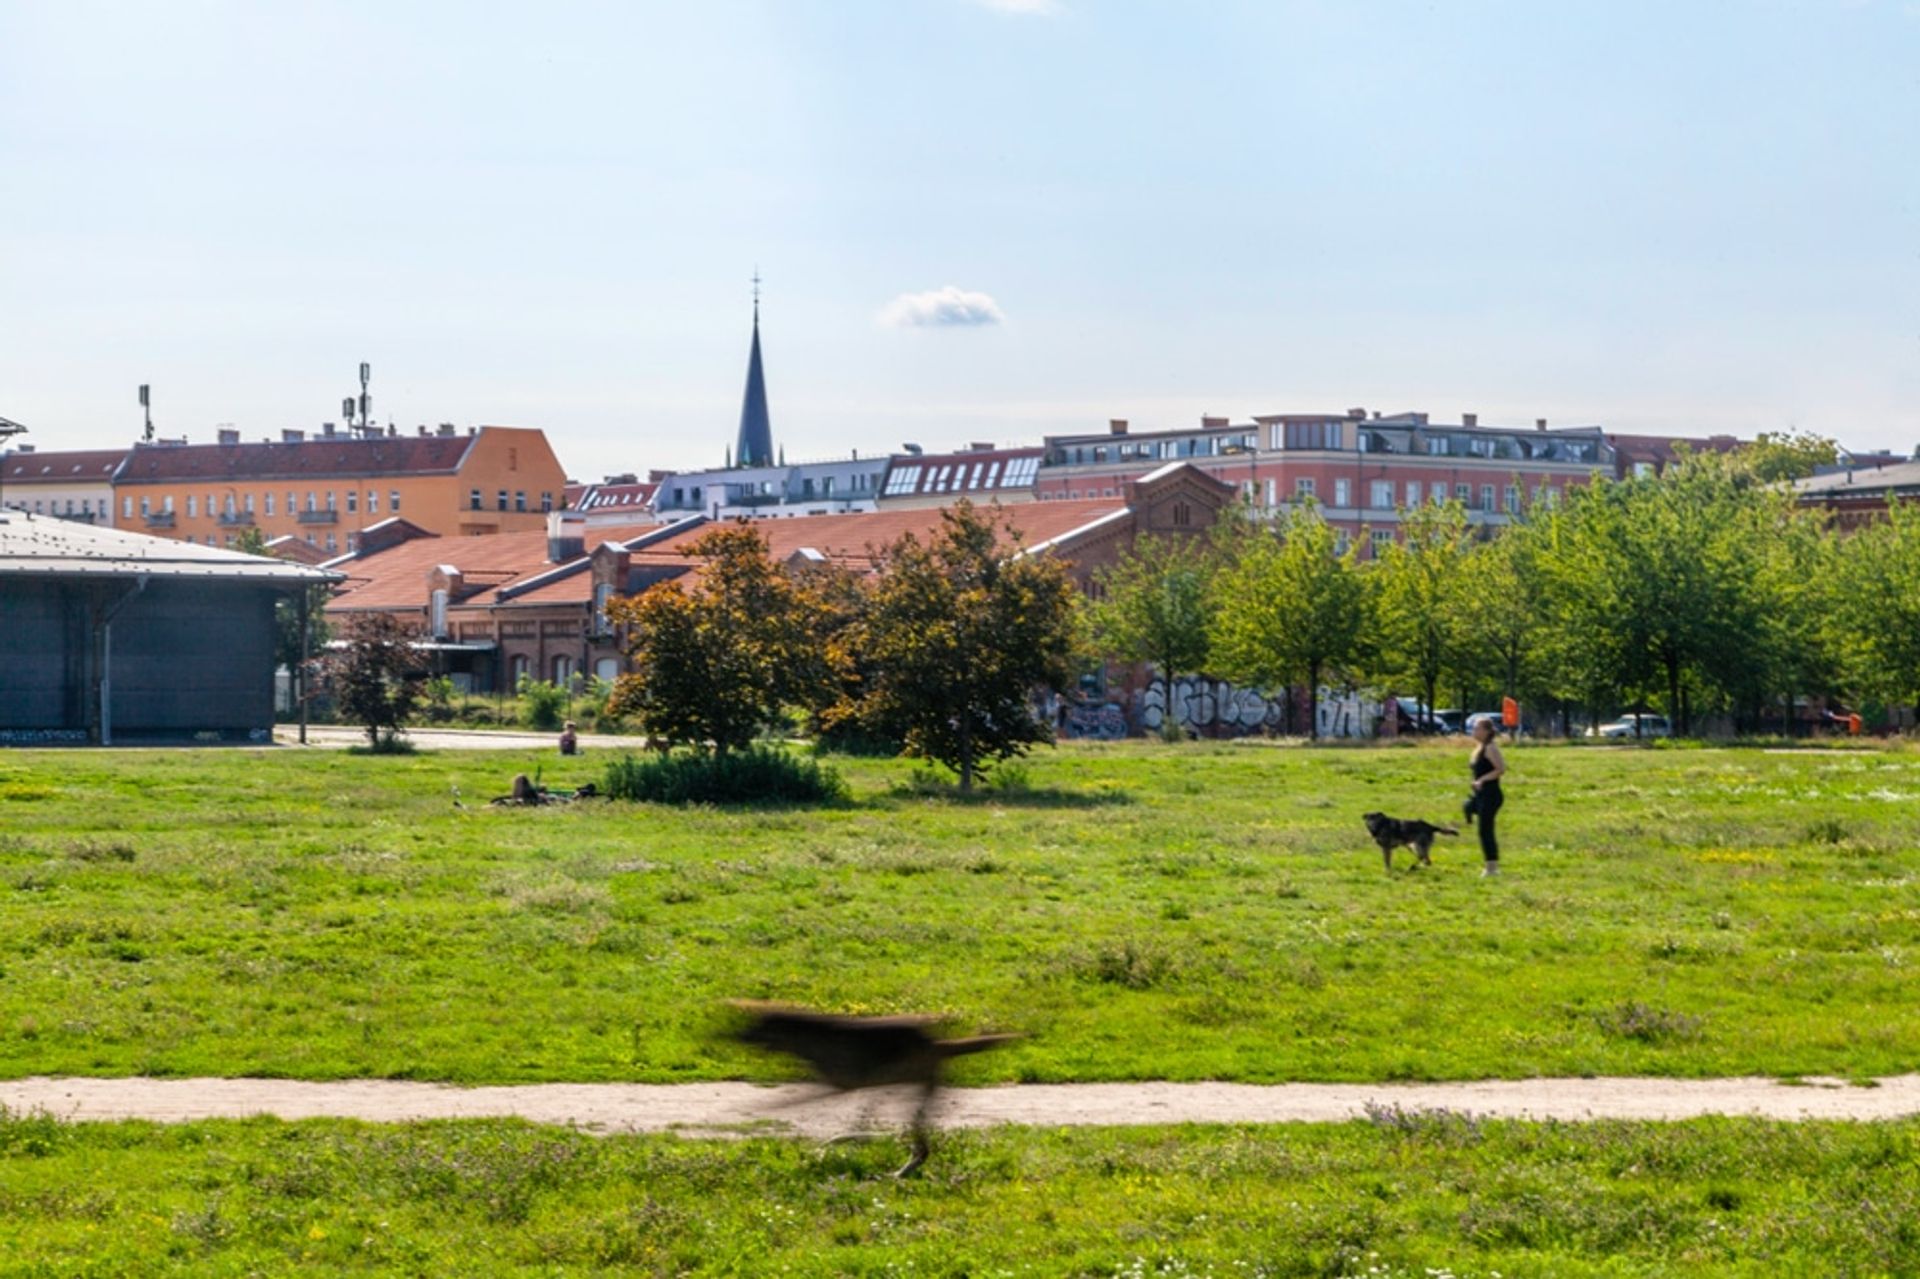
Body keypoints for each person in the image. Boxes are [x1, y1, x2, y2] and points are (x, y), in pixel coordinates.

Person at [1467, 718, 1507, 876]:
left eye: (1477, 728)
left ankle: (1492, 868)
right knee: (1468, 807)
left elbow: (1500, 769)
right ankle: (1491, 866)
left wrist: (1482, 780)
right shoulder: (1479, 748)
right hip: (1481, 794)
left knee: (1485, 830)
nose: (1474, 731)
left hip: (1491, 794)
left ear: (1487, 731)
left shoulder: (1490, 748)